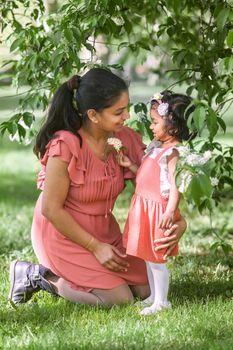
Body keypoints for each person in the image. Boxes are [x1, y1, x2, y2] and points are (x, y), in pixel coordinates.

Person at [8, 69, 187, 307]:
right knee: (118, 298)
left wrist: (178, 221)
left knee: (146, 287)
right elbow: (50, 209)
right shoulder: (66, 144)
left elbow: (155, 185)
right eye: (118, 112)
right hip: (61, 233)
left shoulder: (126, 138)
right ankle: (37, 276)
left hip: (104, 230)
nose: (127, 115)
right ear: (93, 115)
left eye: (127, 107)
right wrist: (95, 247)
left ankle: (100, 273)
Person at [117, 91, 195, 315]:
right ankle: (153, 295)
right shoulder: (156, 147)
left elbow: (174, 184)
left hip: (158, 210)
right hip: (143, 206)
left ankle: (162, 301)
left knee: (156, 259)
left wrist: (170, 211)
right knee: (146, 257)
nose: (151, 126)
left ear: (174, 127)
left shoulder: (173, 152)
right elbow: (145, 173)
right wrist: (130, 166)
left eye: (155, 122)